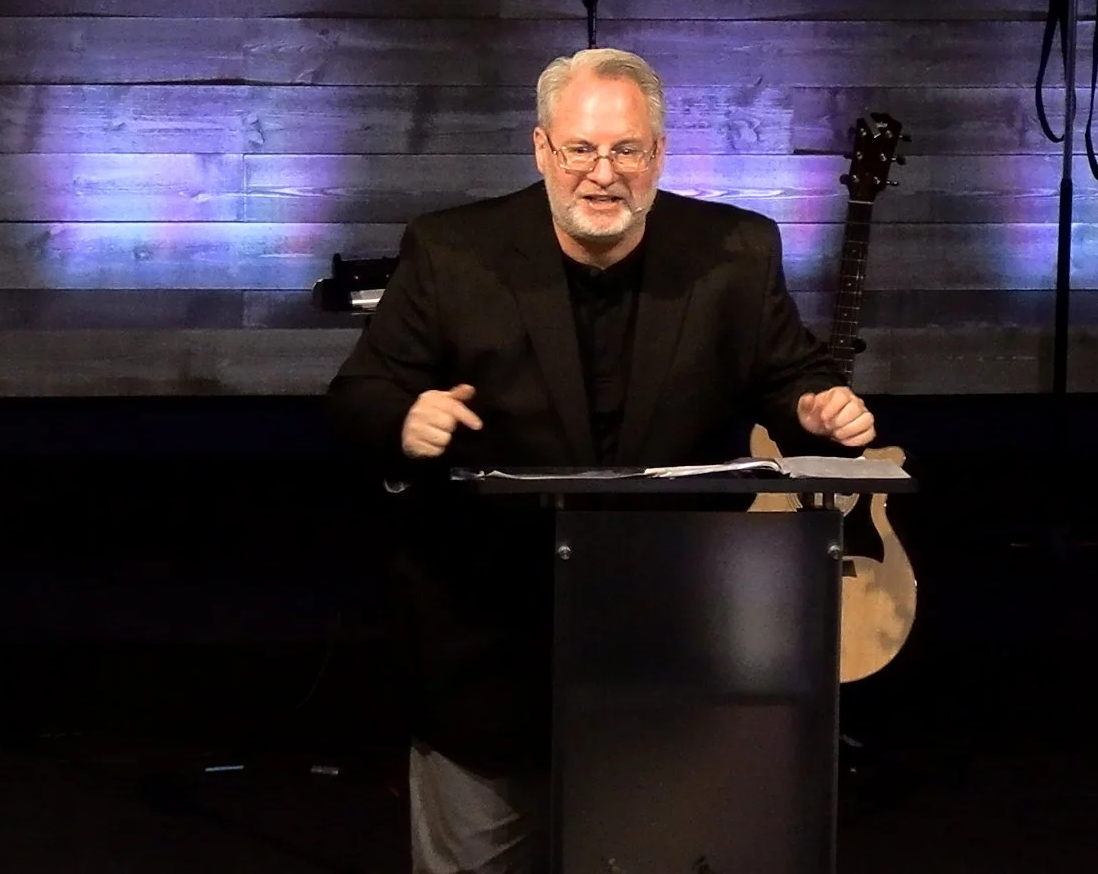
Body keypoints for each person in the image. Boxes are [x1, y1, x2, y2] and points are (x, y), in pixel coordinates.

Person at [327, 46, 876, 874]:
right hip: (491, 637)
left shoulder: (735, 250)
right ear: (542, 149)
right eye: (580, 149)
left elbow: (789, 375)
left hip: (671, 643)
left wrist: (815, 408)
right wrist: (406, 418)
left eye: (626, 150)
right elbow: (359, 394)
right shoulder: (451, 250)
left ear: (659, 153)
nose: (603, 174)